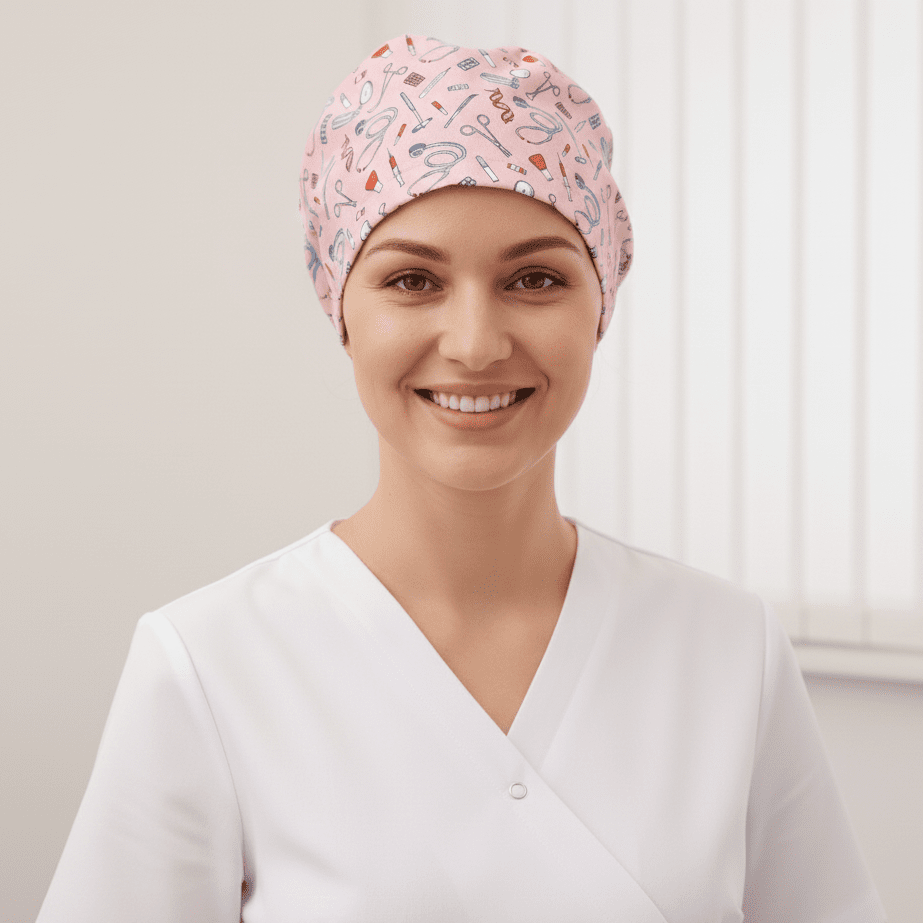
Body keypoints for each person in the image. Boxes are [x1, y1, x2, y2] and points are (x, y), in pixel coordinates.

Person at [37, 35, 885, 923]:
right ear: (340, 308)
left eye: (534, 278)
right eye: (412, 279)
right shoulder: (207, 663)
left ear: (600, 307)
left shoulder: (728, 649)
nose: (475, 344)